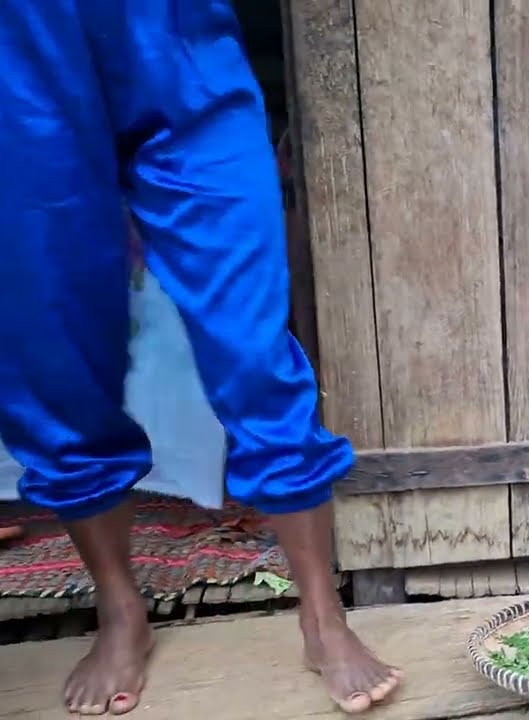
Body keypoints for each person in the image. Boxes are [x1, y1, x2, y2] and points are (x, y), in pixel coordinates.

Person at [0, 3, 401, 715]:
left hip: (175, 39)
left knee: (251, 347)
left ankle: (321, 616)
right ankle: (121, 611)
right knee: (52, 355)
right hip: (19, 51)